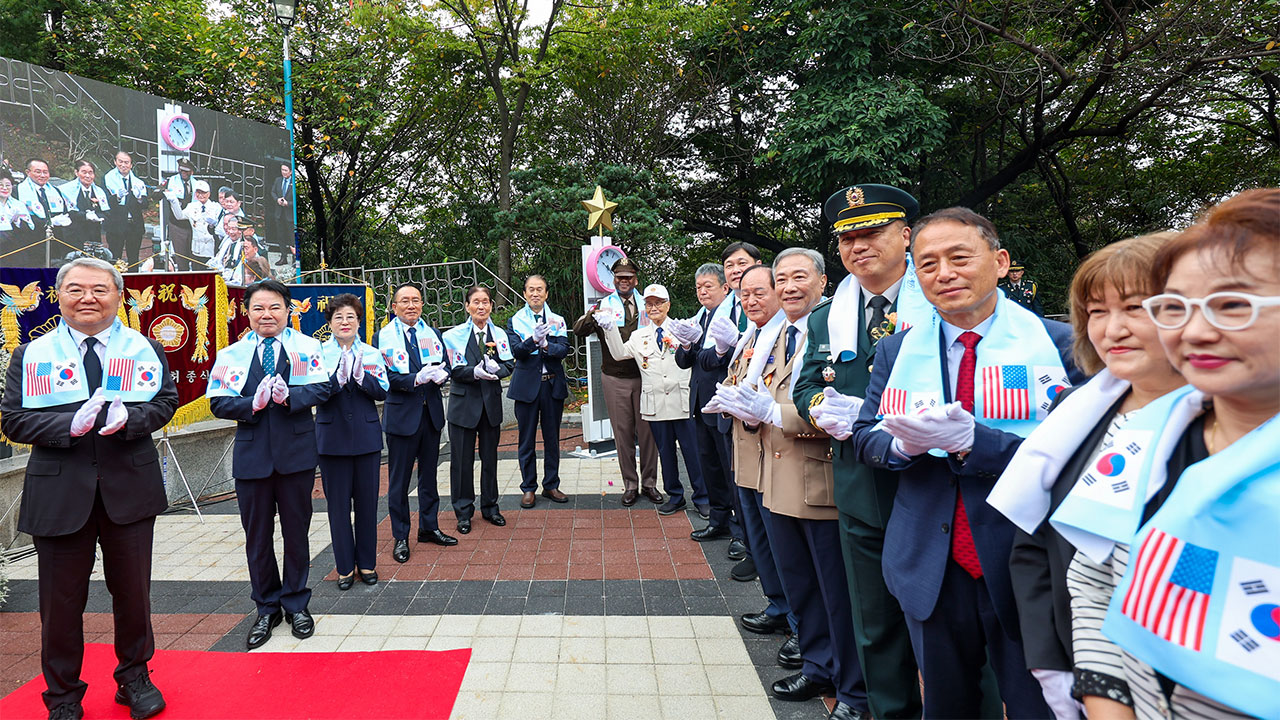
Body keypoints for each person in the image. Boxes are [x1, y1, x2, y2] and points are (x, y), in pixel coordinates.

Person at [1050, 189, 1280, 720]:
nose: (1195, 331)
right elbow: (1095, 581)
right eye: (1175, 307)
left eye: (1232, 305)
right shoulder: (1148, 437)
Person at [851, 207, 1085, 718]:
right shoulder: (897, 350)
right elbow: (865, 438)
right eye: (928, 264)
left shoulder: (1063, 345)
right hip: (929, 562)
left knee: (1038, 707)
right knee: (947, 706)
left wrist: (980, 443)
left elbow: (1091, 454)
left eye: (959, 258)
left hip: (1029, 560)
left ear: (999, 262)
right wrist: (904, 446)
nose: (944, 274)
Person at [987, 233, 1183, 720]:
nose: (1113, 329)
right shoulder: (1078, 411)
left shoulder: (1223, 424)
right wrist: (1049, 661)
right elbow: (1034, 541)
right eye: (1096, 312)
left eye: (1134, 307)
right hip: (1079, 655)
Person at [1, 258, 177, 720]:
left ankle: (134, 677)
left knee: (134, 594)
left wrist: (131, 418)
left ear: (118, 296)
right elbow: (13, 420)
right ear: (59, 296)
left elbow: (165, 402)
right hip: (60, 493)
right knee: (59, 604)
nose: (88, 298)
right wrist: (67, 426)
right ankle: (62, 696)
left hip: (129, 488)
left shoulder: (142, 347)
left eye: (100, 289)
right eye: (76, 289)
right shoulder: (33, 354)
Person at [714, 248, 871, 720]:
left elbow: (836, 408)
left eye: (799, 277)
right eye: (781, 279)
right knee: (801, 586)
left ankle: (854, 689)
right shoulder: (780, 334)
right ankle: (819, 666)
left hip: (818, 480)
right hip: (776, 478)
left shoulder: (835, 330)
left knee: (835, 593)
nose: (788, 287)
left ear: (823, 282)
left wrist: (773, 413)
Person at [791, 183, 928, 720]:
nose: (858, 246)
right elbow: (807, 383)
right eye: (847, 238)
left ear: (906, 235)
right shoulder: (828, 316)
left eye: (872, 232)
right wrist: (821, 408)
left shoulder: (938, 302)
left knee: (947, 625)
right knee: (873, 622)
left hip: (928, 484)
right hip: (858, 487)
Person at [207, 279, 333, 650]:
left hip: (296, 456)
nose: (267, 315)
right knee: (257, 537)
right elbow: (218, 403)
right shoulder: (232, 354)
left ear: (288, 310)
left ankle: (296, 603)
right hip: (252, 459)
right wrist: (252, 404)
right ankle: (266, 607)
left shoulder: (306, 347)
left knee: (297, 533)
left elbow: (322, 388)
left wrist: (290, 397)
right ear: (246, 313)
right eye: (259, 308)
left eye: (275, 307)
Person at [705, 263, 803, 667]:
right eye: (744, 294)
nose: (750, 301)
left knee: (785, 547)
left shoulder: (790, 335)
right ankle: (778, 605)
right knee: (761, 541)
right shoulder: (753, 335)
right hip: (745, 453)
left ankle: (801, 625)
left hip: (775, 456)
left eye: (759, 292)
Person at [600, 283, 704, 516]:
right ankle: (675, 496)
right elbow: (619, 354)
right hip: (655, 404)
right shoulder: (639, 336)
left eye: (658, 303)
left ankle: (702, 498)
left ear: (668, 305)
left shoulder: (681, 329)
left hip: (682, 402)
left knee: (692, 453)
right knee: (665, 454)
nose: (653, 307)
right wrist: (610, 330)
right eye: (649, 304)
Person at [376, 282, 457, 561]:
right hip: (402, 417)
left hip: (430, 414)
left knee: (429, 476)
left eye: (416, 300)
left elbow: (445, 364)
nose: (411, 305)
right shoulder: (383, 336)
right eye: (405, 301)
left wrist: (443, 374)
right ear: (394, 306)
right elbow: (383, 376)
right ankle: (400, 536)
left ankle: (429, 527)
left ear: (422, 304)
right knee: (399, 481)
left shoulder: (432, 333)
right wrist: (414, 379)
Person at [572, 256, 661, 506]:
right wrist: (594, 315)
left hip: (645, 377)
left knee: (648, 433)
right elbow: (578, 330)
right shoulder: (604, 305)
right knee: (622, 434)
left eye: (629, 277)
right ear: (614, 280)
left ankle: (650, 483)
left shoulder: (647, 305)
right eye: (620, 277)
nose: (624, 281)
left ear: (636, 280)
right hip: (615, 378)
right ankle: (630, 484)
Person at [316, 294, 388, 590]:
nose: (345, 322)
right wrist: (336, 380)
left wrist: (361, 378)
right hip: (331, 439)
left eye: (350, 317)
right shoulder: (318, 353)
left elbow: (382, 391)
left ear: (359, 322)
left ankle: (367, 563)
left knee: (368, 505)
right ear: (330, 323)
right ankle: (345, 567)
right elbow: (314, 393)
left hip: (366, 438)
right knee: (337, 507)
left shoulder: (371, 353)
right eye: (338, 317)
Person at [673, 263, 741, 539]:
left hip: (723, 402)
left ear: (725, 288)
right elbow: (683, 361)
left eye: (708, 286)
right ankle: (718, 520)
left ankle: (740, 531)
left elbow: (719, 359)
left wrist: (706, 348)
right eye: (698, 287)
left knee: (729, 468)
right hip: (700, 403)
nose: (702, 291)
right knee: (710, 466)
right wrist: (686, 344)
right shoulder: (700, 318)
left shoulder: (731, 317)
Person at [443, 285, 515, 534]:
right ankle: (463, 512)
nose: (481, 306)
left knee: (490, 460)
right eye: (476, 302)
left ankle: (490, 507)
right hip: (463, 406)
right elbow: (451, 369)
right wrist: (474, 372)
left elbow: (508, 364)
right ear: (467, 306)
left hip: (490, 405)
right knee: (461, 462)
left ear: (491, 306)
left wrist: (498, 371)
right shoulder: (453, 336)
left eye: (485, 302)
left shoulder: (499, 334)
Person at [505, 274, 570, 508]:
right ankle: (528, 487)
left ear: (546, 294)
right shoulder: (516, 320)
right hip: (526, 387)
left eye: (539, 289)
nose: (535, 293)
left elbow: (564, 350)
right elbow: (516, 351)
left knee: (552, 439)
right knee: (526, 439)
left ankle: (551, 484)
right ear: (524, 293)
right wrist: (532, 341)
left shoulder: (557, 320)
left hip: (551, 385)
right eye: (531, 289)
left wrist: (547, 345)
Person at [14, 158, 73, 267]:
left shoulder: (55, 191)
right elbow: (19, 219)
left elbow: (64, 212)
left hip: (54, 243)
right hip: (31, 243)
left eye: (45, 172)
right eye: (38, 172)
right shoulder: (17, 191)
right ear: (28, 172)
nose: (42, 175)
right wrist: (48, 222)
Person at [102, 151, 149, 270]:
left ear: (131, 165)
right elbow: (105, 202)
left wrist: (139, 198)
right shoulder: (108, 178)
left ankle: (134, 279)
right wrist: (117, 197)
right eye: (120, 161)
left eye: (126, 162)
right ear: (115, 162)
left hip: (134, 225)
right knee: (115, 257)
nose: (123, 165)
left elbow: (145, 204)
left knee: (134, 258)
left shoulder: (138, 181)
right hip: (116, 225)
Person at [62, 160, 109, 257]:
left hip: (93, 237)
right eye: (84, 172)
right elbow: (67, 212)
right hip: (73, 235)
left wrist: (97, 216)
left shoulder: (99, 192)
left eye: (90, 173)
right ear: (76, 172)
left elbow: (106, 212)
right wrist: (85, 216)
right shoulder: (65, 190)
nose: (88, 176)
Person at [161, 158, 196, 271]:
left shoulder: (196, 184)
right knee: (181, 258)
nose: (183, 173)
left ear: (191, 172)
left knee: (194, 256)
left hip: (192, 225)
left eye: (186, 171)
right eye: (181, 170)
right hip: (177, 224)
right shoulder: (171, 181)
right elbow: (157, 195)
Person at [181, 180, 220, 265]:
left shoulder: (216, 207)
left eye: (203, 192)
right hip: (197, 249)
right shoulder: (191, 206)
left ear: (209, 194)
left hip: (212, 248)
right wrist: (173, 202)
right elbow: (179, 216)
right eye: (198, 192)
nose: (200, 195)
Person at [0, 174, 35, 262]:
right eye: (1, 185)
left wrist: (17, 220)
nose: (5, 188)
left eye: (8, 185)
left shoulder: (19, 205)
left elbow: (29, 229)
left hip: (14, 249)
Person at [270, 163, 294, 265]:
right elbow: (273, 192)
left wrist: (288, 203)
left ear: (291, 172)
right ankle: (283, 257)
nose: (283, 172)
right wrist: (277, 199)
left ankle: (295, 257)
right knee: (281, 236)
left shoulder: (294, 182)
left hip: (290, 214)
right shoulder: (278, 180)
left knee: (292, 237)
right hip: (279, 213)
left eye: (285, 170)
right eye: (282, 170)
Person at [210, 215, 244, 285]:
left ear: (240, 230)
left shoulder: (243, 245)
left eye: (234, 229)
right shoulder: (226, 241)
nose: (230, 232)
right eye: (229, 228)